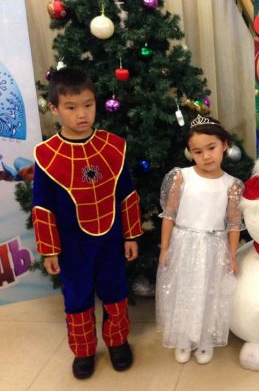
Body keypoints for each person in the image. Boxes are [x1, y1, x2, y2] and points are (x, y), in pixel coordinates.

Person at [32, 68, 142, 379]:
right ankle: (83, 351)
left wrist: (130, 235)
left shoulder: (113, 146)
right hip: (72, 245)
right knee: (77, 296)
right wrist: (49, 250)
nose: (82, 114)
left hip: (110, 239)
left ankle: (118, 342)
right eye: (71, 107)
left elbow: (127, 193)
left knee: (115, 289)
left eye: (88, 105)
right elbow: (42, 206)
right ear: (54, 108)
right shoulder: (46, 155)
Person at [156, 115, 243, 365]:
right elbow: (169, 215)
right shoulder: (182, 177)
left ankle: (205, 339)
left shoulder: (231, 185)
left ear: (224, 145)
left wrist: (232, 255)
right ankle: (183, 338)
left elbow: (233, 224)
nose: (206, 156)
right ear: (190, 152)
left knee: (208, 293)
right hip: (184, 245)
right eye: (198, 151)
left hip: (213, 248)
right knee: (183, 292)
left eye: (211, 148)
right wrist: (165, 248)